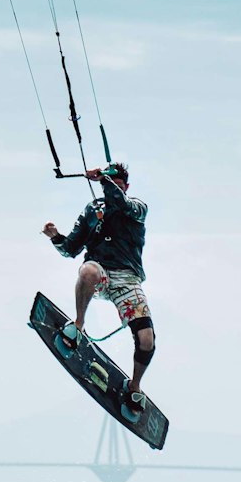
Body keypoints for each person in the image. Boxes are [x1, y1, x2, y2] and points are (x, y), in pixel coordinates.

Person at [41, 161, 155, 417]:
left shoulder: (137, 207)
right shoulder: (93, 210)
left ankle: (134, 386)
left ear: (126, 186)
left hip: (127, 279)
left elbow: (121, 202)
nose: (113, 187)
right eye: (110, 183)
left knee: (146, 340)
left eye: (118, 184)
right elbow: (70, 249)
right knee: (87, 270)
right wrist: (55, 237)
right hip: (100, 273)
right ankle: (78, 325)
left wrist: (105, 180)